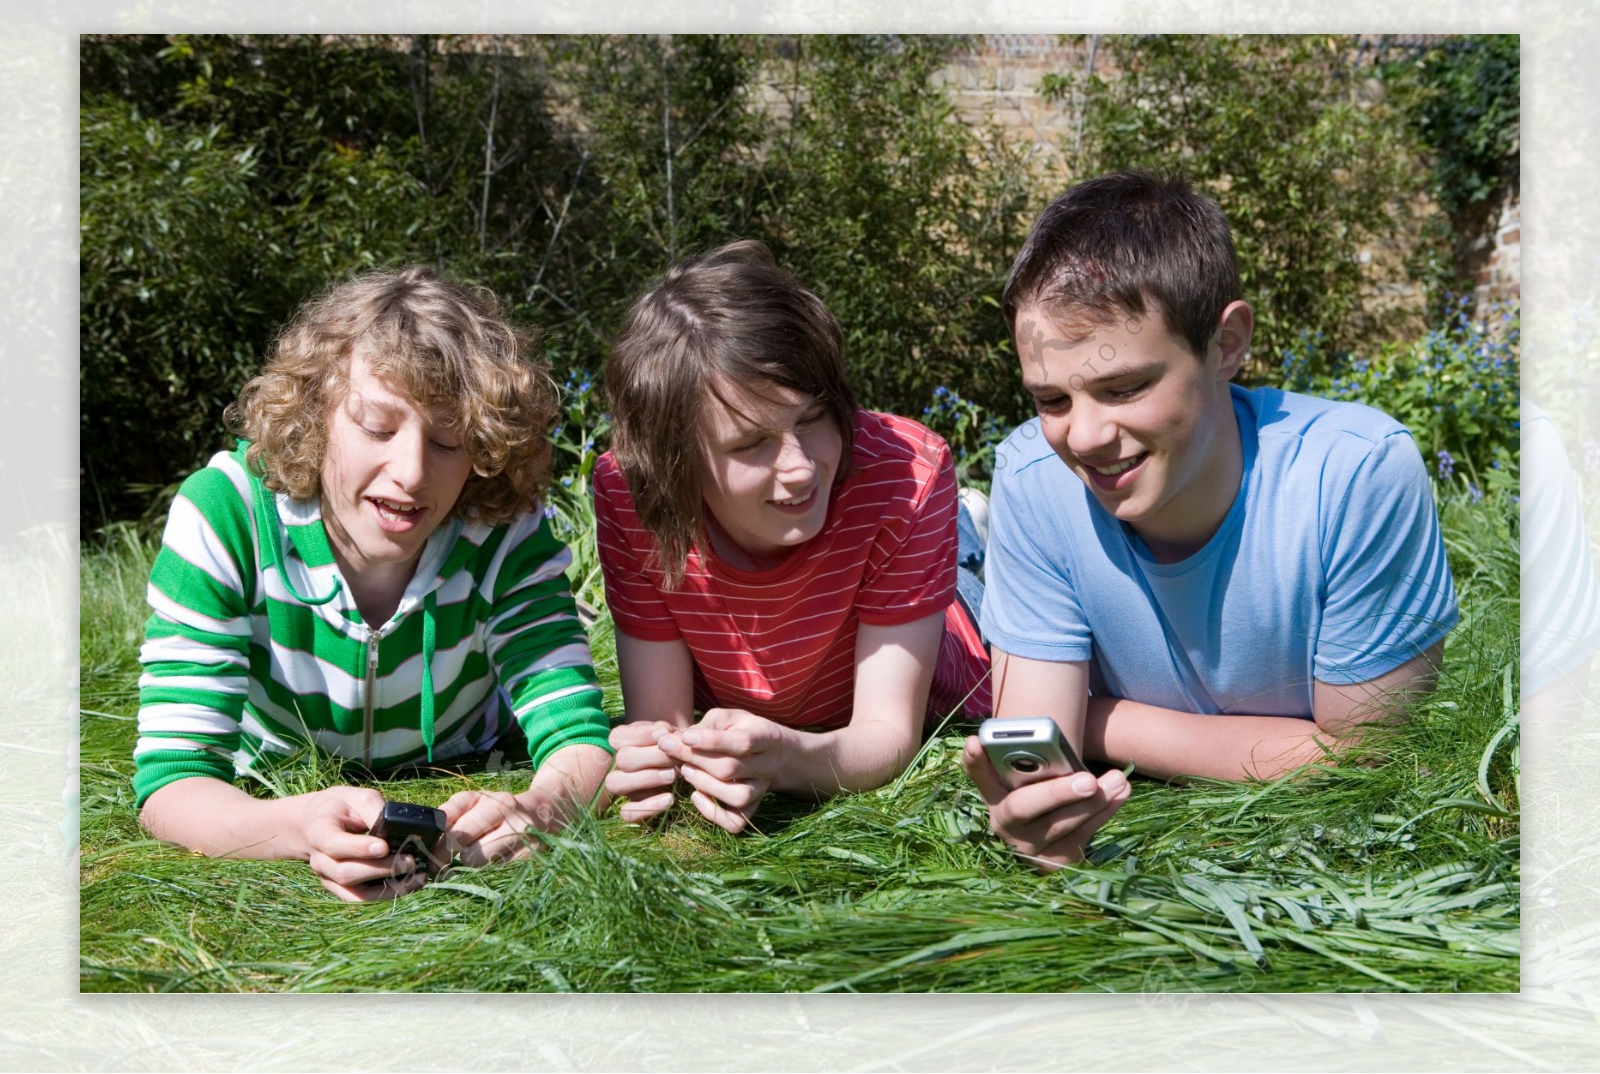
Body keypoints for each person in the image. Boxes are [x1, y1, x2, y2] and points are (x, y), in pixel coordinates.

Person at [962, 170, 1460, 870]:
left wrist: (1102, 717)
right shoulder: (1033, 476)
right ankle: (964, 542)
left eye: (1125, 387)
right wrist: (1036, 823)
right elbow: (1038, 752)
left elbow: (1371, 759)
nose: (1084, 437)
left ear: (1226, 345)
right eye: (1051, 400)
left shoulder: (1358, 473)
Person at [134, 267, 614, 901]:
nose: (412, 473)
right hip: (272, 779)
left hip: (474, 752)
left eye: (448, 440)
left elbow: (581, 741)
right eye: (378, 428)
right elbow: (173, 781)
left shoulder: (506, 531)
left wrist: (540, 810)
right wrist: (293, 829)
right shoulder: (224, 516)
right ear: (314, 414)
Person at [595, 240, 991, 833]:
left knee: (976, 596)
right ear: (674, 464)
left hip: (952, 639)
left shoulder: (910, 469)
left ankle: (966, 538)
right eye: (750, 443)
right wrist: (661, 760)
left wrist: (788, 760)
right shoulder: (632, 492)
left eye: (812, 419)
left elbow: (887, 735)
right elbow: (664, 723)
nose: (801, 466)